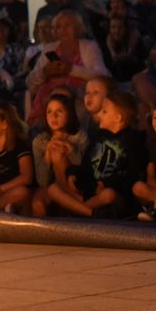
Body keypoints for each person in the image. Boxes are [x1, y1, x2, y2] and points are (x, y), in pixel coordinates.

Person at [47, 91, 146, 219]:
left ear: (118, 118)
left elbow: (131, 173)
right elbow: (87, 164)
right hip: (92, 193)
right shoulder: (99, 137)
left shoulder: (133, 141)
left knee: (108, 194)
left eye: (104, 111)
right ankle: (90, 213)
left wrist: (108, 184)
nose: (99, 114)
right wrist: (73, 173)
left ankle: (76, 210)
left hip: (113, 194)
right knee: (53, 190)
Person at [30, 93, 87, 217]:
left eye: (59, 111)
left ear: (69, 114)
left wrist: (71, 150)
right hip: (51, 187)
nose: (53, 116)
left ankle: (74, 202)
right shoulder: (40, 142)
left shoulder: (79, 137)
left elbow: (84, 168)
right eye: (49, 112)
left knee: (58, 152)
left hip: (74, 185)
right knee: (38, 203)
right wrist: (46, 157)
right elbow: (43, 182)